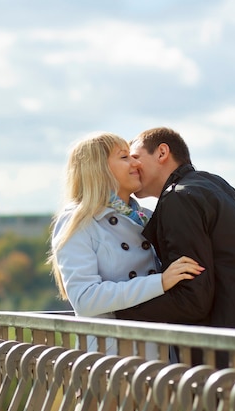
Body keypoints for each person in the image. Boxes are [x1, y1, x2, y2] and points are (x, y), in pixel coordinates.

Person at [114, 127, 235, 380]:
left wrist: (120, 312)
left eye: (135, 156)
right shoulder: (215, 185)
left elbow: (192, 299)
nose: (131, 165)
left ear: (162, 152)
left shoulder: (179, 199)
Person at [48, 131, 204, 355]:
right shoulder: (78, 221)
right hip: (112, 359)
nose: (135, 162)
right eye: (124, 157)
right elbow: (86, 299)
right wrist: (160, 282)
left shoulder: (148, 216)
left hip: (160, 353)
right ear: (99, 168)